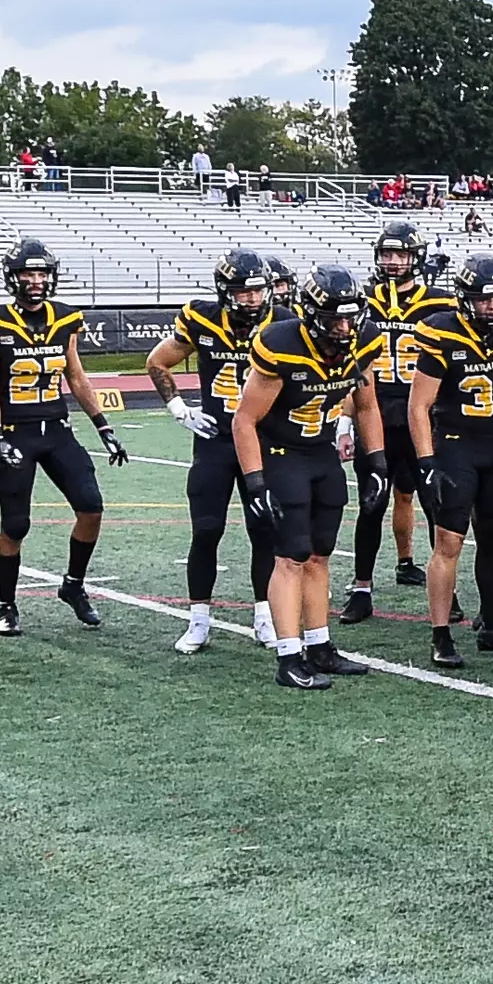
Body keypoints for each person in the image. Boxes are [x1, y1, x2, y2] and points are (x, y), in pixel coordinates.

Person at [234, 265, 386, 689]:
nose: (343, 327)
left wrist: (377, 463)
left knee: (320, 553)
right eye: (334, 318)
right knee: (291, 555)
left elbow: (367, 404)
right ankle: (288, 655)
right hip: (282, 454)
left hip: (321, 453)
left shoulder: (363, 341)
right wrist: (255, 482)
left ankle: (319, 645)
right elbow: (244, 421)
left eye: (350, 318)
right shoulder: (281, 344)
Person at [0, 239, 128, 636]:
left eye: (41, 274)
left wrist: (103, 425)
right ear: (13, 277)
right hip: (15, 431)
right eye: (28, 273)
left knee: (91, 507)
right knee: (16, 524)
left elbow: (75, 375)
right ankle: (7, 604)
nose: (36, 281)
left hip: (56, 429)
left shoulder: (65, 318)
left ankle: (73, 585)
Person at [409, 254, 493, 665]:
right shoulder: (443, 332)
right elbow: (418, 406)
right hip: (456, 445)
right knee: (449, 541)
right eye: (484, 300)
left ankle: (492, 624)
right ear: (464, 299)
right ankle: (441, 634)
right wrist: (427, 461)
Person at [146, 249, 281, 653]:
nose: (252, 299)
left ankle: (265, 616)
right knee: (206, 530)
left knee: (265, 530)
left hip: (262, 443)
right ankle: (199, 619)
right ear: (225, 292)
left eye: (258, 291)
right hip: (215, 440)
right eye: (243, 292)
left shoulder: (284, 324)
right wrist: (178, 408)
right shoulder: (202, 317)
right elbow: (158, 361)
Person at [343, 222, 456, 624]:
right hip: (375, 411)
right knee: (371, 502)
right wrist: (343, 418)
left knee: (433, 501)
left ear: (416, 258)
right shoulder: (362, 301)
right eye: (387, 254)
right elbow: (346, 360)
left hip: (423, 414)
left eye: (401, 255)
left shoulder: (441, 303)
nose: (393, 262)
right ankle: (361, 588)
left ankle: (446, 590)